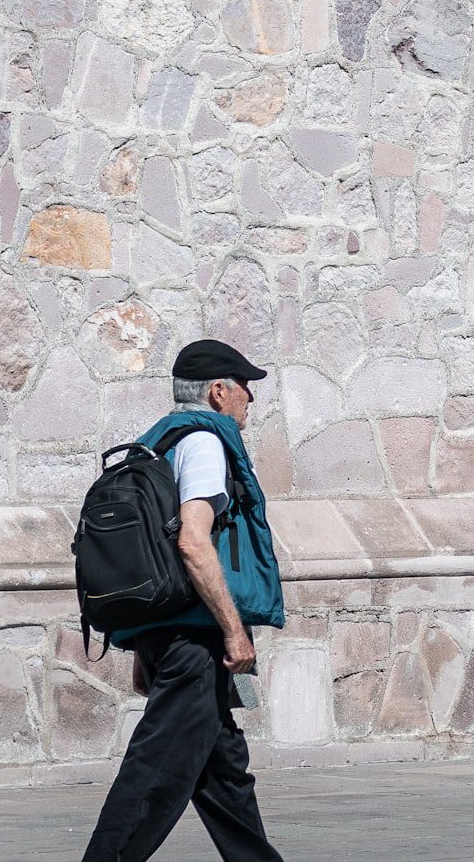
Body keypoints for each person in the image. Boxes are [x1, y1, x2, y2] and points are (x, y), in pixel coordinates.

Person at [83, 339, 286, 862]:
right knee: (156, 774)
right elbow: (193, 543)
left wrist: (140, 643)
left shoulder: (157, 443)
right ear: (219, 391)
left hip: (167, 632)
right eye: (245, 387)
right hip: (194, 641)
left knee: (225, 776)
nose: (251, 399)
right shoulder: (203, 443)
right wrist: (235, 630)